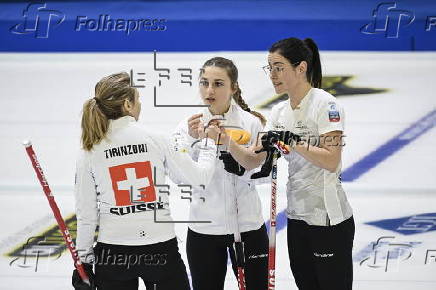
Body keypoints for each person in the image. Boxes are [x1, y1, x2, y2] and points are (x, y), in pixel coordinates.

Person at [72, 72, 220, 290]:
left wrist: (82, 263)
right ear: (127, 105)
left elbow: (86, 215)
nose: (140, 105)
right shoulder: (157, 139)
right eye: (138, 100)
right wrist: (208, 143)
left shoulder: (89, 151)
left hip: (113, 255)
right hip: (160, 251)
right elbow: (198, 179)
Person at [227, 37, 355, 290]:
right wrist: (227, 144)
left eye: (279, 67)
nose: (273, 75)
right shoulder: (279, 113)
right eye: (270, 68)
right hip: (297, 215)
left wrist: (293, 141)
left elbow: (331, 160)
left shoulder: (326, 104)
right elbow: (255, 157)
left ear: (301, 68)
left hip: (328, 217)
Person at [173, 57, 269, 290]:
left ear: (233, 87)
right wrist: (193, 142)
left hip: (248, 226)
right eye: (204, 83)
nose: (209, 90)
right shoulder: (187, 127)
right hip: (205, 229)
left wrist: (228, 144)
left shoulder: (251, 123)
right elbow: (178, 177)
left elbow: (260, 172)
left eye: (218, 84)